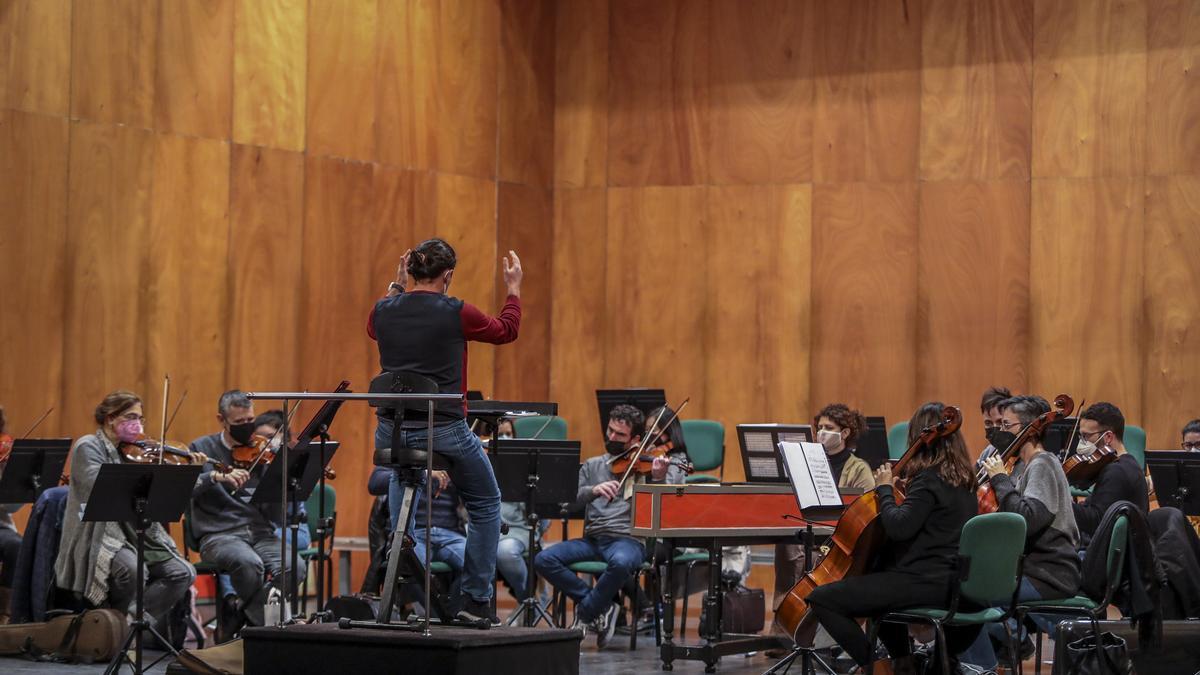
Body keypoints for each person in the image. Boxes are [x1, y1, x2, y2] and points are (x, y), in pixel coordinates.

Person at [369, 238, 523, 626]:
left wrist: (395, 286)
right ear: (448, 275)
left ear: (410, 270)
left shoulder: (385, 309)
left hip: (390, 432)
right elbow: (506, 331)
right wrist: (514, 289)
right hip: (443, 430)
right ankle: (475, 600)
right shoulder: (456, 311)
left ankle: (397, 552)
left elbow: (373, 327)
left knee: (404, 484)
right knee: (487, 504)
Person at [804, 402, 980, 674]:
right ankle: (903, 664)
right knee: (879, 587)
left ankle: (878, 667)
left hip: (923, 581)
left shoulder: (928, 479)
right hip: (954, 582)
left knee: (822, 598)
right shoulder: (964, 479)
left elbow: (899, 528)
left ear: (921, 435)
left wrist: (885, 489)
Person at [535, 404, 688, 649]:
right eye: (610, 431)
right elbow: (565, 503)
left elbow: (663, 511)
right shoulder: (594, 465)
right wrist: (591, 491)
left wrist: (658, 478)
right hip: (593, 539)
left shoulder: (646, 469)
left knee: (620, 563)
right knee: (543, 559)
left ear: (636, 439)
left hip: (628, 541)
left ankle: (585, 613)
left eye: (620, 435)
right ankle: (603, 607)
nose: (612, 438)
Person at [54, 391, 197, 636]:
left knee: (182, 572)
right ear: (111, 418)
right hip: (98, 530)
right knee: (132, 569)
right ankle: (113, 632)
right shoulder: (88, 445)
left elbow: (161, 495)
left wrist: (188, 472)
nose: (138, 425)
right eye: (131, 417)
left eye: (140, 418)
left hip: (134, 529)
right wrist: (135, 470)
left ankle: (128, 622)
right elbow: (97, 485)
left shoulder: (134, 450)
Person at [963, 395, 1082, 670]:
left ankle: (1002, 650)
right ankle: (1000, 649)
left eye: (1007, 425)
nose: (1000, 432)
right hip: (1033, 570)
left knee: (972, 594)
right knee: (969, 589)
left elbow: (1027, 518)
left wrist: (1000, 479)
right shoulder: (1030, 464)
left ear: (1030, 429)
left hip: (1050, 574)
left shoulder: (1043, 464)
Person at [190, 390, 294, 628]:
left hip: (260, 532)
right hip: (219, 535)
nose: (247, 427)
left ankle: (239, 611)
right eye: (239, 423)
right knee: (248, 564)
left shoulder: (264, 452)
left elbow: (278, 515)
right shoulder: (202, 448)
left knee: (293, 565)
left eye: (250, 420)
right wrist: (214, 477)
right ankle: (264, 626)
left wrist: (281, 467)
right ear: (221, 420)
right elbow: (185, 489)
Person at [773, 404, 875, 637]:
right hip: (812, 526)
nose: (821, 432)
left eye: (829, 427)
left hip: (840, 534)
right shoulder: (808, 463)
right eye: (819, 427)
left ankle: (810, 624)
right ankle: (785, 618)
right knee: (787, 542)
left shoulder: (859, 468)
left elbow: (867, 509)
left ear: (845, 433)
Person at [1070, 402, 1148, 544]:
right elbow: (1095, 506)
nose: (1082, 442)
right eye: (1080, 436)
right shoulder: (1125, 464)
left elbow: (1097, 522)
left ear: (1108, 437)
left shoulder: (1116, 471)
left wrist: (1061, 503)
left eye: (1086, 436)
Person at [0, 407, 23, 624]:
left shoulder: (3, 450)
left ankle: (5, 614)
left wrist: (15, 480)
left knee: (16, 546)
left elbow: (10, 507)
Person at [977, 386, 1013, 466]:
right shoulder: (988, 453)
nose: (994, 427)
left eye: (1000, 422)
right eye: (988, 423)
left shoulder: (1021, 456)